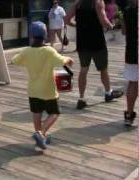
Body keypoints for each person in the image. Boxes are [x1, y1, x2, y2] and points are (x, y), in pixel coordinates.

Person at [11, 21, 74, 150]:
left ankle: (41, 137)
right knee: (55, 113)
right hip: (48, 90)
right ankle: (41, 132)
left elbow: (14, 60)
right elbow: (62, 60)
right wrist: (69, 60)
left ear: (31, 36)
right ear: (45, 35)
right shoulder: (49, 51)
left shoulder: (26, 51)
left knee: (36, 113)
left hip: (33, 90)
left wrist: (19, 58)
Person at [65, 0, 123, 110]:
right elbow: (103, 21)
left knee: (83, 70)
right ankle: (108, 93)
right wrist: (112, 26)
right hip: (97, 42)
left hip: (82, 42)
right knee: (103, 69)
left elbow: (66, 19)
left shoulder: (77, 4)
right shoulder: (98, 2)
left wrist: (77, 25)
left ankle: (81, 99)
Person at [117, 0, 138, 126]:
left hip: (132, 51)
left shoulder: (127, 11)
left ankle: (129, 114)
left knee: (133, 82)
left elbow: (124, 32)